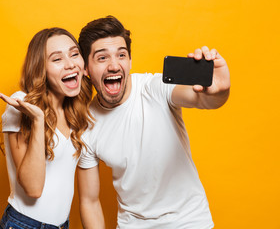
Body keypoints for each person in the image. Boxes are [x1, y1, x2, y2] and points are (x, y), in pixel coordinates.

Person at [77, 16, 230, 229]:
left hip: (189, 222)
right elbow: (89, 201)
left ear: (129, 60)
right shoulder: (86, 124)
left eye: (121, 55)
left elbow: (204, 99)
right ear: (85, 67)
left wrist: (219, 90)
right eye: (102, 58)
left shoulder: (155, 87)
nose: (114, 65)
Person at [0, 27, 93, 229]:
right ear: (41, 68)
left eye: (74, 54)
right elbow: (33, 189)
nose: (70, 64)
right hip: (24, 224)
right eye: (57, 59)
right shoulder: (22, 103)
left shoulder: (77, 112)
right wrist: (38, 121)